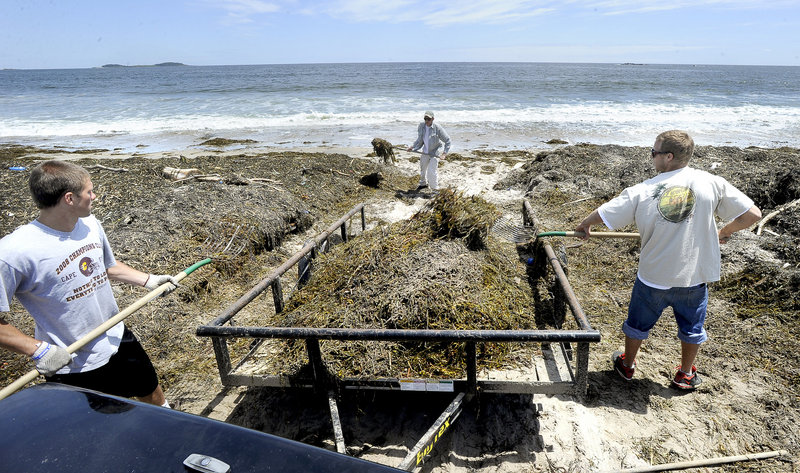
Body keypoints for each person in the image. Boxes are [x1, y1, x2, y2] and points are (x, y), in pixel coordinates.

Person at [575, 130, 761, 390]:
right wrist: (723, 232)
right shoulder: (711, 182)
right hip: (693, 277)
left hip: (654, 277)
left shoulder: (643, 190)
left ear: (668, 157)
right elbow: (752, 214)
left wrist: (585, 224)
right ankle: (685, 374)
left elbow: (605, 213)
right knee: (692, 326)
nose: (651, 157)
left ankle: (627, 364)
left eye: (654, 152)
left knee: (637, 324)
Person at [0, 161, 179, 406]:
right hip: (72, 361)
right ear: (69, 198)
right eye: (89, 191)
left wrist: (149, 280)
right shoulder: (13, 253)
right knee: (98, 424)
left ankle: (167, 424)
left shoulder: (89, 224)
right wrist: (38, 349)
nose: (94, 196)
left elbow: (106, 267)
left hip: (116, 336)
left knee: (150, 389)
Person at [407, 110, 451, 191]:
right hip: (425, 151)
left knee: (431, 171)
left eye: (428, 119)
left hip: (435, 152)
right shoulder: (421, 126)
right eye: (425, 119)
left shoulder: (437, 128)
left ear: (433, 119)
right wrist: (412, 147)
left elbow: (448, 140)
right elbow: (419, 139)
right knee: (423, 169)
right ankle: (423, 184)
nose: (426, 121)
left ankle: (434, 189)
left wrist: (444, 154)